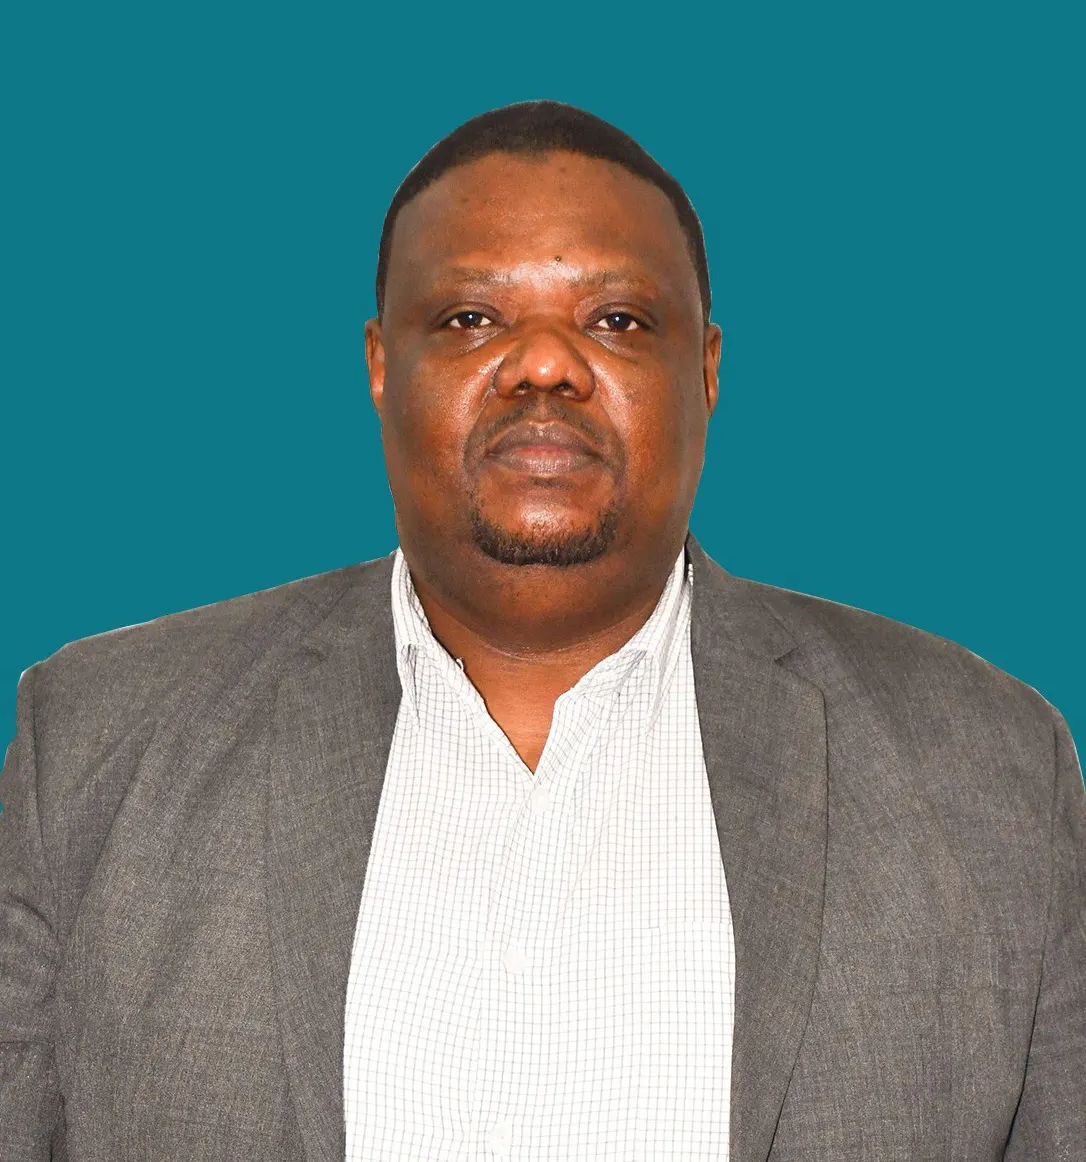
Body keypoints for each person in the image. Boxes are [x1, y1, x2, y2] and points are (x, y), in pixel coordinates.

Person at [1, 100, 1082, 1162]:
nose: (545, 365)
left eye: (617, 321)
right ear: (381, 366)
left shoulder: (988, 769)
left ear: (706, 370)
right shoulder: (95, 747)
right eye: (471, 319)